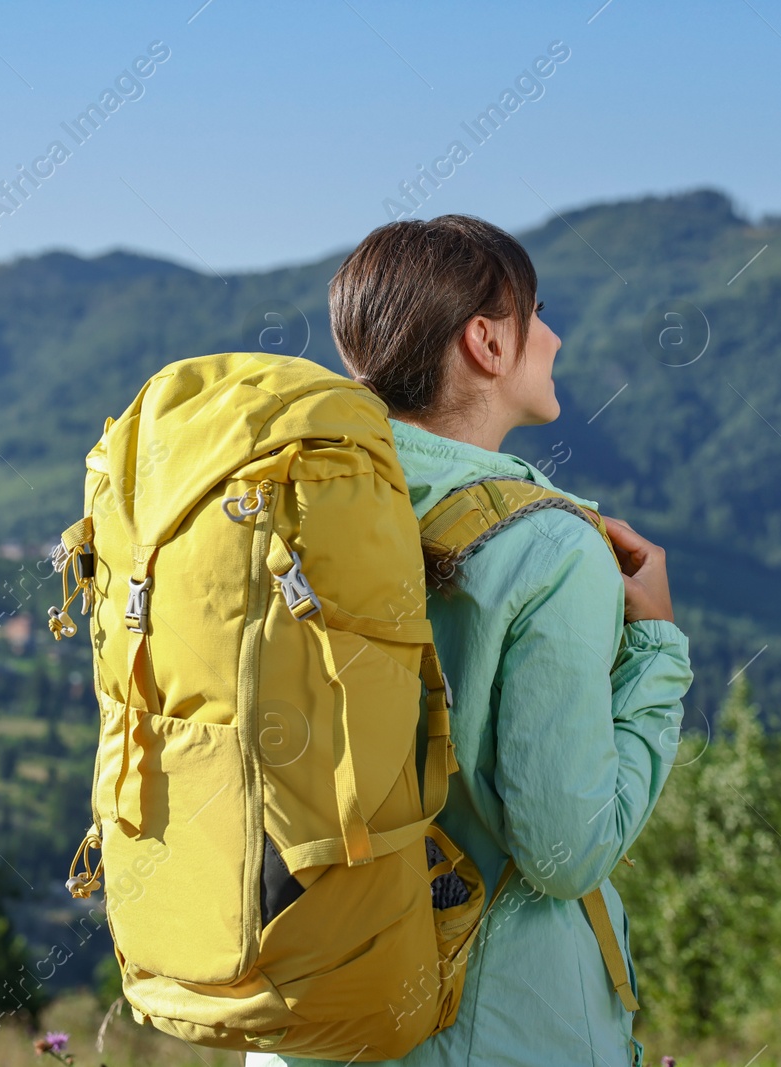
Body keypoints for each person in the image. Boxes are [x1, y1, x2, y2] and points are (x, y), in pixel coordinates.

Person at [251, 214, 693, 1067]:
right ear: (487, 342)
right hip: (490, 1036)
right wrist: (656, 652)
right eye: (539, 312)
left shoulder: (280, 514)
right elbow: (566, 852)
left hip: (304, 1028)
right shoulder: (548, 549)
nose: (555, 337)